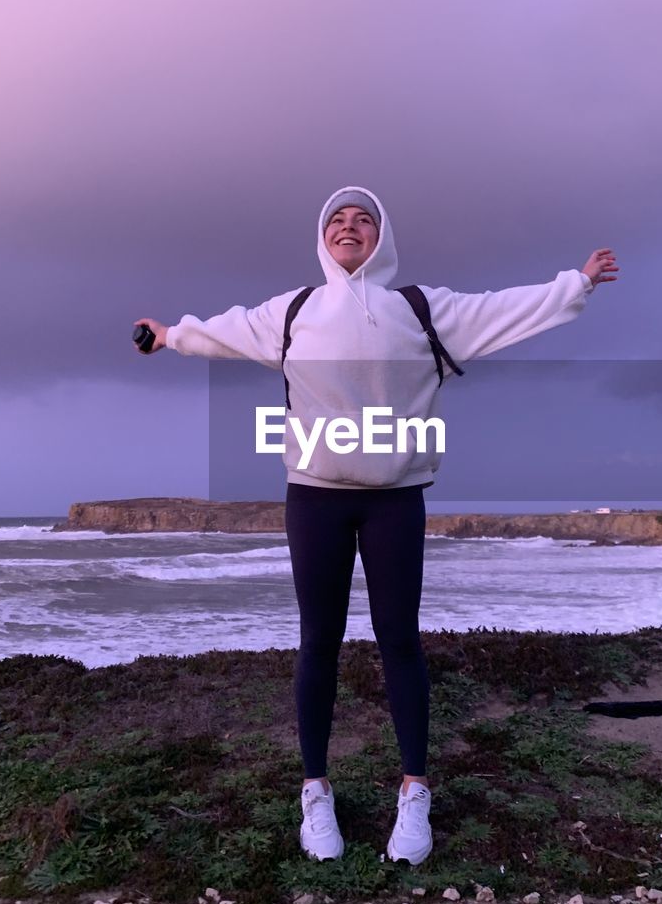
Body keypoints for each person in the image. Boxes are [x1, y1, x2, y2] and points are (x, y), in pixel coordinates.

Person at [134, 185, 618, 866]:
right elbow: (223, 328)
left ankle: (415, 793)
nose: (350, 226)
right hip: (314, 499)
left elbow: (502, 310)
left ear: (382, 235)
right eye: (338, 218)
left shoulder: (419, 309)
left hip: (395, 498)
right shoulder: (294, 310)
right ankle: (315, 792)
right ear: (322, 236)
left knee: (400, 643)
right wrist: (168, 336)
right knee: (318, 645)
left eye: (364, 218)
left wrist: (575, 283)